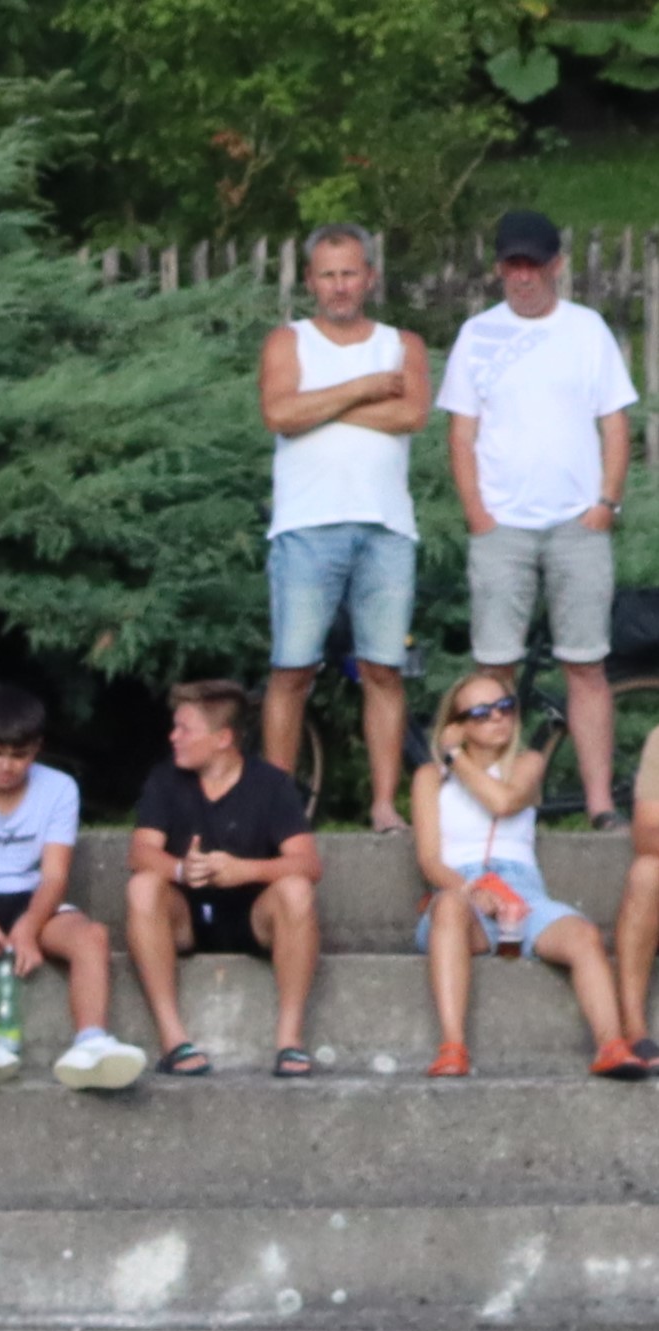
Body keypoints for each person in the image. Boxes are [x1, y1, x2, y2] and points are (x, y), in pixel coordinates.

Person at [444, 209, 635, 823]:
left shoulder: (587, 330)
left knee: (586, 665)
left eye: (532, 264)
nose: (522, 276)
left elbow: (615, 423)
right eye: (512, 265)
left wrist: (605, 504)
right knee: (493, 669)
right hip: (502, 526)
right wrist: (477, 514)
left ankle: (600, 805)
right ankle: (493, 803)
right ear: (499, 268)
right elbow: (461, 433)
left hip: (578, 525)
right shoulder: (477, 334)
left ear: (557, 265)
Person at [261, 225, 430, 797]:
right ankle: (279, 809)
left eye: (350, 273)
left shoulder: (403, 344)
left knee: (384, 670)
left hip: (387, 528)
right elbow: (280, 414)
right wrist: (363, 387)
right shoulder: (288, 342)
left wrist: (320, 407)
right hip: (306, 526)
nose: (339, 286)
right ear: (310, 280)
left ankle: (384, 806)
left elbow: (410, 416)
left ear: (370, 278)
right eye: (328, 274)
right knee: (292, 670)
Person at [0, 683, 148, 1091]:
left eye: (19, 755)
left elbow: (55, 876)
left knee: (92, 935)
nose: (7, 766)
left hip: (32, 896)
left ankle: (91, 1042)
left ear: (37, 748)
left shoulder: (60, 788)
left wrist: (28, 926)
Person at [415, 669, 646, 1078]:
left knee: (583, 935)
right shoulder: (430, 777)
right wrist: (470, 889)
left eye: (504, 707)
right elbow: (430, 861)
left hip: (522, 890)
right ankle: (452, 1047)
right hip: (458, 892)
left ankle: (611, 1046)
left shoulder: (528, 763)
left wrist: (456, 757)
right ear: (457, 725)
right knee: (448, 905)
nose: (497, 717)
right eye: (481, 712)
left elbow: (503, 804)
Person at [123, 675, 326, 1077]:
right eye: (175, 727)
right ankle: (173, 1041)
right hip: (186, 916)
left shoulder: (271, 784)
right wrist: (181, 869)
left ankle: (290, 1041)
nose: (173, 737)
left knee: (296, 891)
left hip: (255, 917)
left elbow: (308, 865)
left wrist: (244, 870)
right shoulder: (166, 779)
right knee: (143, 886)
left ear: (223, 738)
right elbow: (140, 853)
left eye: (185, 729)